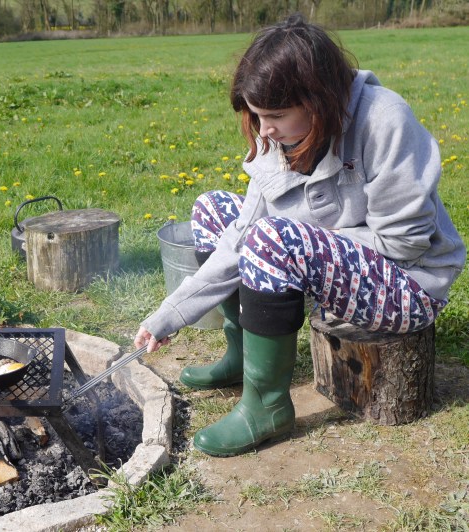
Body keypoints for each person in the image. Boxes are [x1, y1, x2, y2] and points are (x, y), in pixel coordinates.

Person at [133, 14, 466, 457]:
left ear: (318, 100)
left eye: (275, 115)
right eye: (256, 114)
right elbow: (240, 239)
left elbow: (405, 243)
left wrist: (303, 243)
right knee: (214, 210)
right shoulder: (278, 137)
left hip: (409, 284)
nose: (264, 129)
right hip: (337, 260)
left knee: (274, 239)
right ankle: (243, 356)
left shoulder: (384, 120)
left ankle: (267, 405)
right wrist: (169, 315)